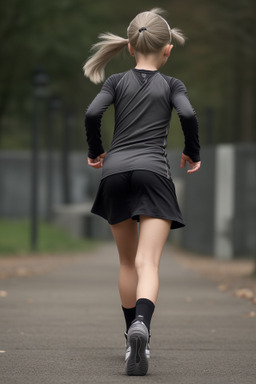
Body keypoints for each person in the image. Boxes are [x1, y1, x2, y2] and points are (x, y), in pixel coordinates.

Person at [83, 8, 201, 376]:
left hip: (115, 174)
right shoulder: (172, 85)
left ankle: (129, 333)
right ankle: (143, 329)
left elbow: (92, 114)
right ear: (167, 50)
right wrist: (192, 152)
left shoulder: (115, 82)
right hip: (154, 173)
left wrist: (95, 151)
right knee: (147, 263)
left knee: (125, 262)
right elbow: (189, 115)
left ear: (131, 48)